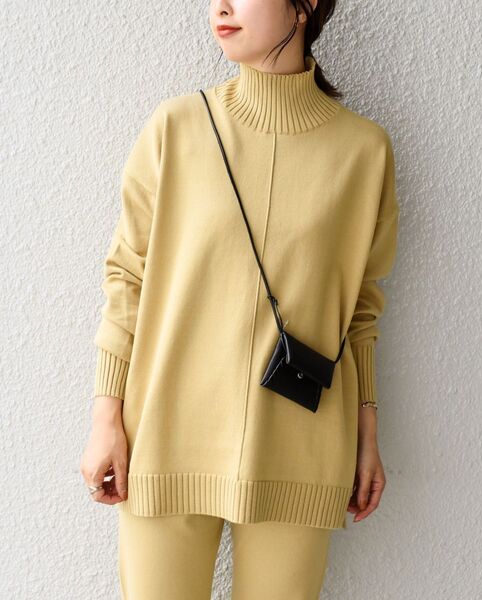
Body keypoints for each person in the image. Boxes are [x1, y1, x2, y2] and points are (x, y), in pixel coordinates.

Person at [80, 1, 400, 598]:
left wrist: (367, 430)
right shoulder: (175, 128)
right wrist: (106, 417)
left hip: (301, 446)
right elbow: (127, 277)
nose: (221, 6)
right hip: (166, 437)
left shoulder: (364, 152)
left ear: (305, 7)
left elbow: (361, 309)